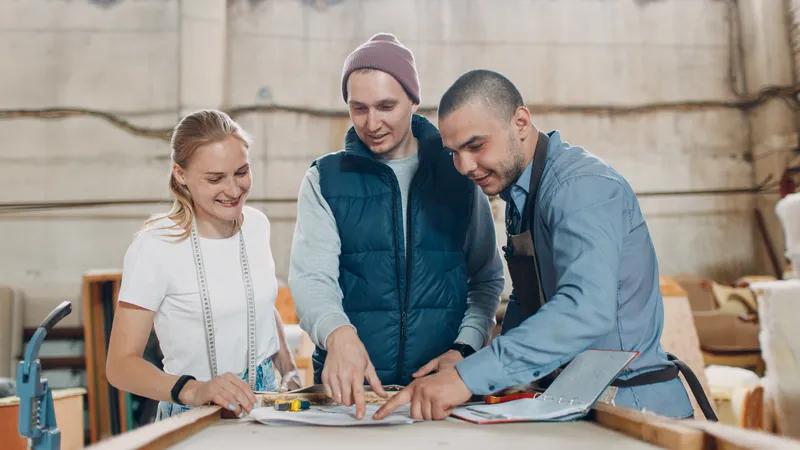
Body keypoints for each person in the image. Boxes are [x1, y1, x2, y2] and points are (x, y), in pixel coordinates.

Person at [375, 69, 695, 421]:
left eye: (476, 145)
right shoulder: (521, 196)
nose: (464, 166)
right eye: (454, 152)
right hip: (573, 404)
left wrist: (468, 378)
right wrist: (468, 362)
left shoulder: (580, 188)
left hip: (633, 410)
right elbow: (529, 301)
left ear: (521, 122)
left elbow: (585, 308)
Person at [289, 34, 505, 419]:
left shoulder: (459, 170)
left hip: (442, 393)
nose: (372, 123)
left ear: (413, 100)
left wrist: (465, 349)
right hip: (351, 398)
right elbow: (311, 278)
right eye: (359, 109)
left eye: (386, 106)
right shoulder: (325, 178)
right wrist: (337, 334)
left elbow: (486, 279)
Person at [106, 109, 302, 420]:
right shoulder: (156, 245)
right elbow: (120, 365)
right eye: (215, 179)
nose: (234, 190)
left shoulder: (256, 225)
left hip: (263, 404)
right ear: (181, 175)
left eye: (241, 172)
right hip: (193, 410)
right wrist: (195, 390)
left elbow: (261, 306)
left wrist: (289, 372)